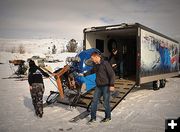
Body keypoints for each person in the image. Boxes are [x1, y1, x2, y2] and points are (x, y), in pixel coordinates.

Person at [82, 51, 115, 123]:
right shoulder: (95, 64)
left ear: (97, 57)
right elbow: (91, 71)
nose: (92, 59)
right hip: (98, 86)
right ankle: (93, 118)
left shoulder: (105, 63)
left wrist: (111, 85)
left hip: (106, 86)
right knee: (94, 102)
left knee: (106, 102)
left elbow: (112, 74)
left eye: (92, 58)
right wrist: (84, 75)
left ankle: (108, 117)